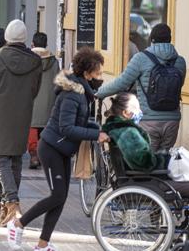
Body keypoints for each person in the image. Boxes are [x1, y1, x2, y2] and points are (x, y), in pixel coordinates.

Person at [10, 47, 109, 251]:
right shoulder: (73, 94)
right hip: (52, 148)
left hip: (61, 148)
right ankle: (18, 224)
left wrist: (99, 129)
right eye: (97, 73)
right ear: (87, 73)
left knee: (60, 197)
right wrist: (94, 134)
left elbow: (78, 122)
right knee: (57, 196)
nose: (100, 77)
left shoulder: (82, 92)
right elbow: (67, 127)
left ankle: (42, 244)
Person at [0, 19, 43, 228]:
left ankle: (12, 203)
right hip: (22, 114)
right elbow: (35, 89)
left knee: (1, 159)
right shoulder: (35, 61)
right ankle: (7, 206)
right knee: (15, 160)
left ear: (6, 38)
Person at [96, 23, 186, 152]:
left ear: (152, 40)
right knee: (164, 164)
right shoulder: (180, 61)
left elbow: (122, 83)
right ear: (170, 39)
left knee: (145, 165)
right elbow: (178, 86)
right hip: (172, 121)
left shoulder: (141, 59)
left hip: (148, 121)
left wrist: (99, 93)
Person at [29, 32, 60, 169]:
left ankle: (34, 156)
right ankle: (42, 155)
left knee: (31, 128)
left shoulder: (28, 59)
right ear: (46, 44)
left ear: (33, 44)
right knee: (44, 130)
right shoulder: (54, 62)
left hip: (31, 99)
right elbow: (59, 82)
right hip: (49, 101)